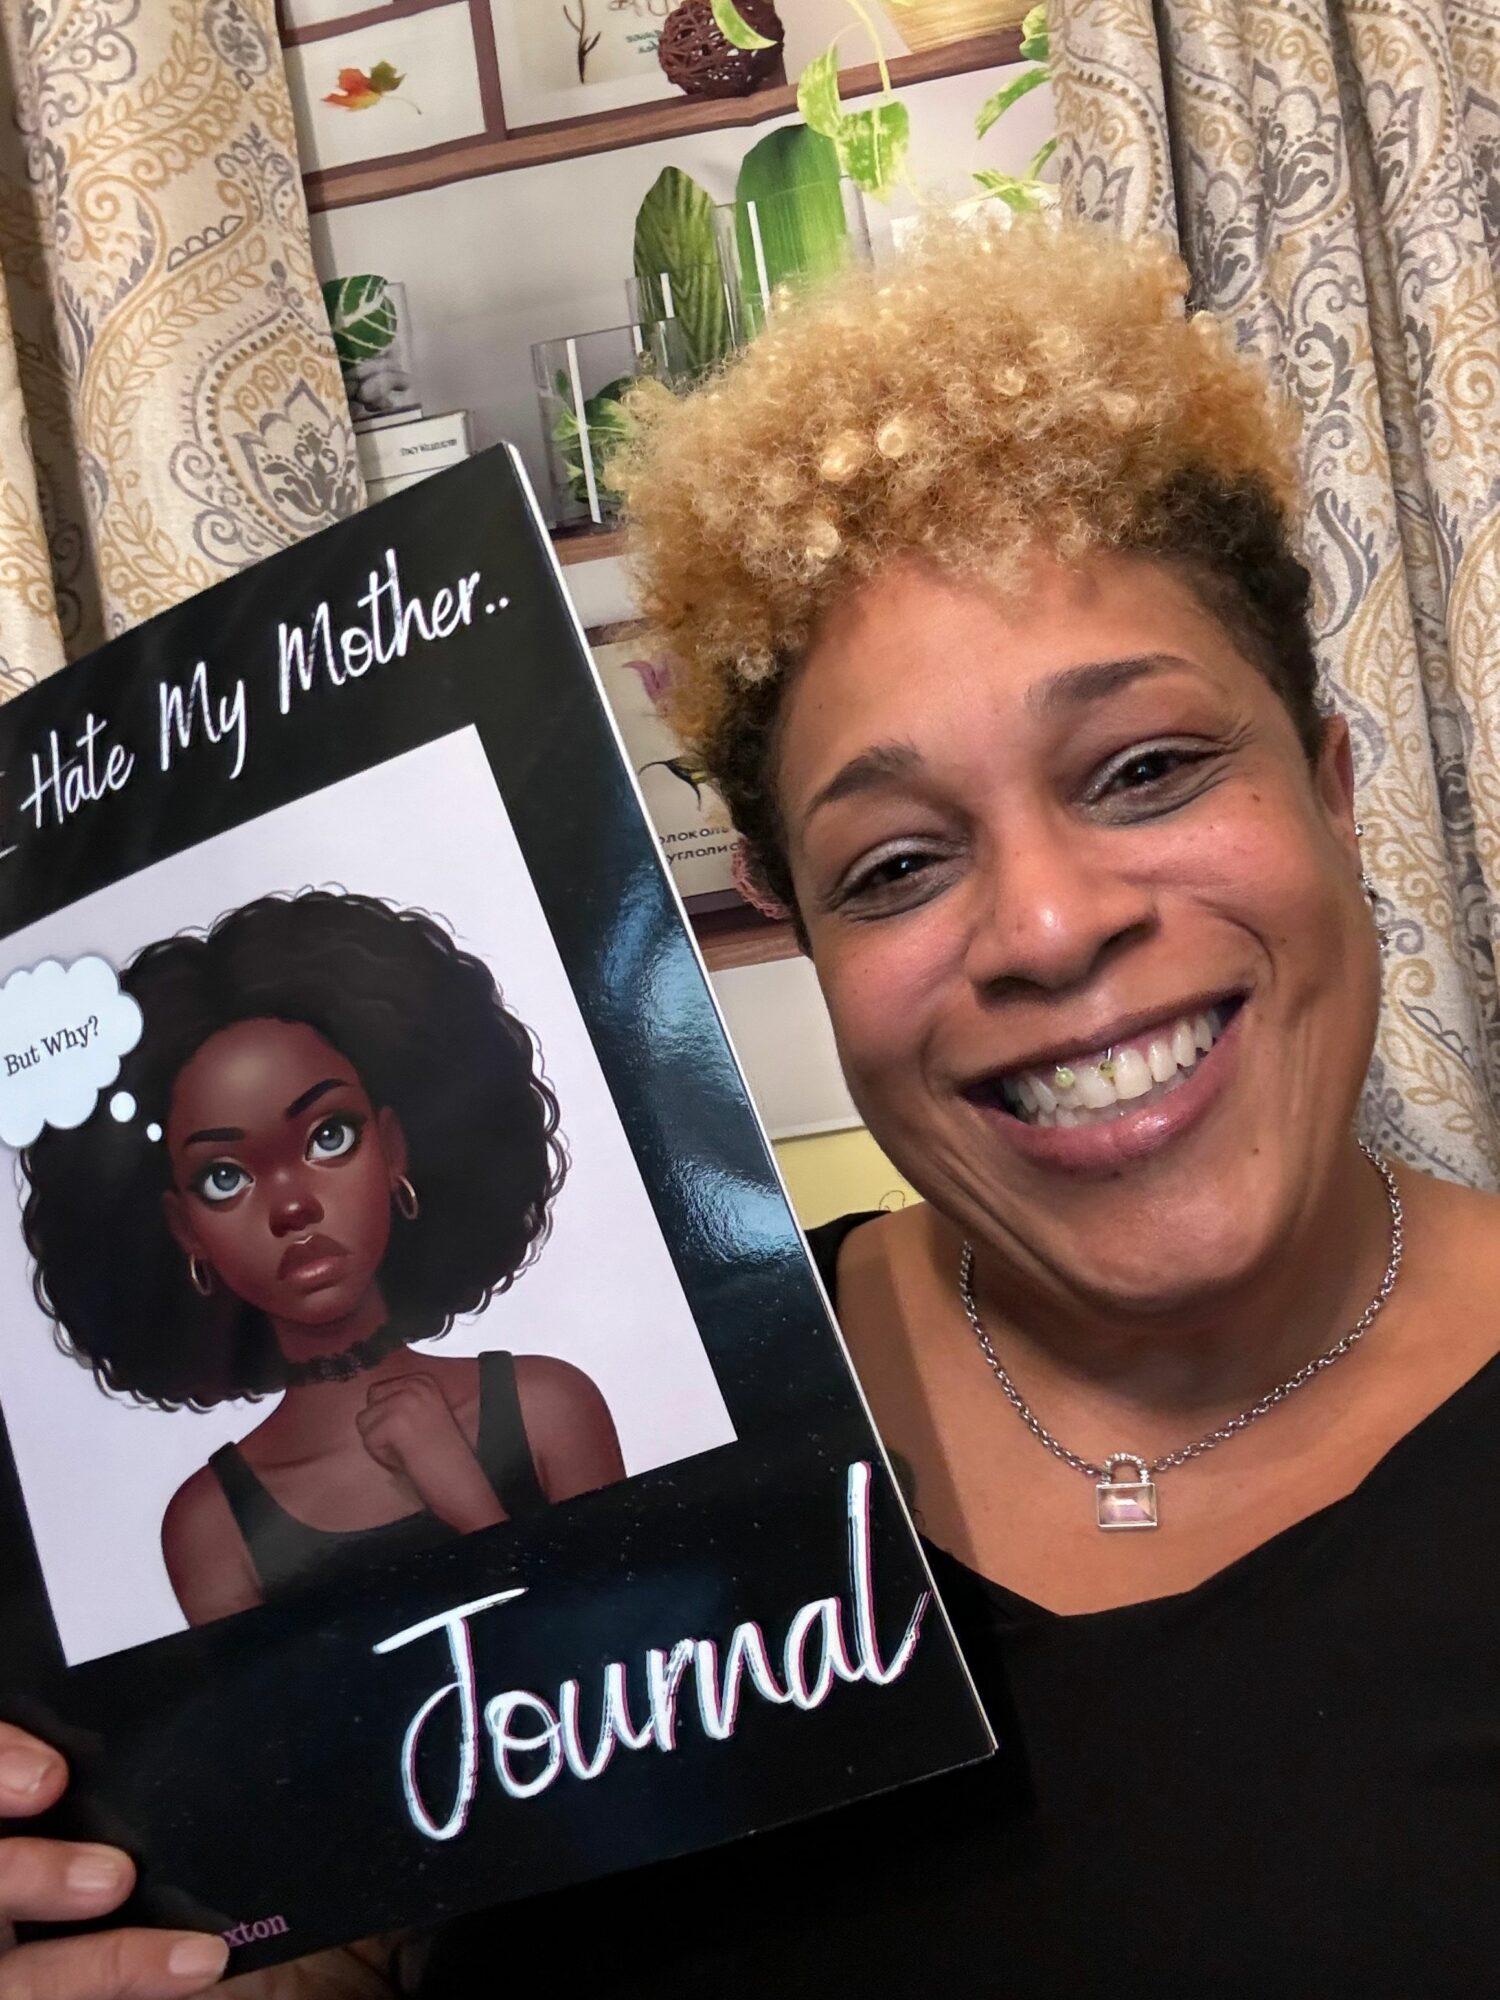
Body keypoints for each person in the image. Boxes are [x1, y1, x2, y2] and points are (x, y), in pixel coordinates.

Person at [7, 214, 1500, 1997]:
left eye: (1148, 768)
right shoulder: (684, 1401)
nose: (1047, 926)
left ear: (1332, 790)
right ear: (798, 933)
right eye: (897, 864)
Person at [21, 890, 624, 1625]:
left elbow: (629, 1648)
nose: (292, 1207)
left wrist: (469, 1501)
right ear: (184, 1230)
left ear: (393, 1150)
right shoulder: (213, 1528)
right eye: (225, 1178)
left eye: (328, 1137)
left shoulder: (548, 1408)